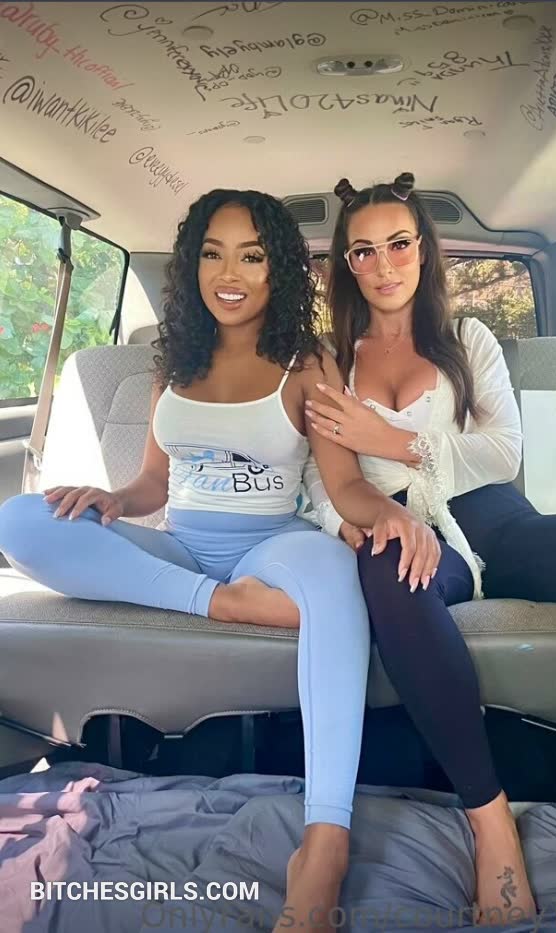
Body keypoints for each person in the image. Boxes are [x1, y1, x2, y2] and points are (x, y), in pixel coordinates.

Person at [0, 188, 440, 933]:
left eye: (251, 255)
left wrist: (390, 512)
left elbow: (343, 487)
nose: (228, 273)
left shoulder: (307, 362)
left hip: (271, 542)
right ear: (192, 265)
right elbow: (153, 484)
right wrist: (111, 499)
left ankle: (325, 840)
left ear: (278, 269)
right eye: (212, 253)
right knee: (19, 517)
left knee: (335, 574)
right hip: (182, 548)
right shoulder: (173, 361)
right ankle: (218, 602)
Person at [302, 172, 556, 932]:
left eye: (399, 244)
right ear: (346, 265)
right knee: (385, 568)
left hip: (496, 518)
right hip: (405, 530)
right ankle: (491, 822)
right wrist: (357, 519)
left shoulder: (469, 339)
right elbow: (326, 481)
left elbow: (502, 451)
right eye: (363, 251)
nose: (384, 265)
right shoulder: (328, 360)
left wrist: (394, 440)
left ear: (423, 249)